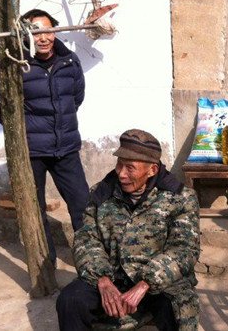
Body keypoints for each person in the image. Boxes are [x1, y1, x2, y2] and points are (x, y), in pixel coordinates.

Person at [56, 129, 200, 331]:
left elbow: (184, 249)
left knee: (179, 307)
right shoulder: (101, 193)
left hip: (159, 283)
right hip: (114, 278)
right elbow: (86, 239)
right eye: (119, 164)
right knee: (70, 299)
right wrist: (102, 280)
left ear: (152, 170)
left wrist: (146, 283)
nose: (121, 173)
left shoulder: (180, 198)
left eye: (130, 168)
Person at [0, 9, 89, 265]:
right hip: (32, 152)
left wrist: (60, 125)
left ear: (54, 32)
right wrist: (26, 131)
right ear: (25, 35)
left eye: (47, 31)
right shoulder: (13, 65)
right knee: (35, 210)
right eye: (35, 32)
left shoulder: (70, 61)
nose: (43, 38)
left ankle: (90, 262)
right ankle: (46, 265)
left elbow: (76, 98)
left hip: (66, 148)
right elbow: (1, 107)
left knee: (83, 205)